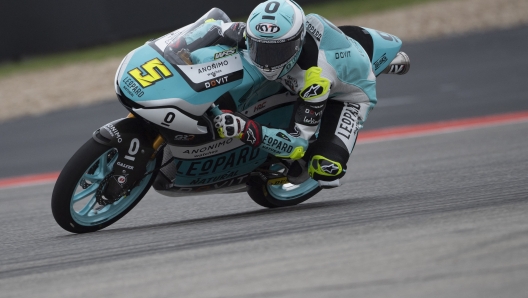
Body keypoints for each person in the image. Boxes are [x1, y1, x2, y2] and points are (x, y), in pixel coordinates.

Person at [213, 0, 377, 187]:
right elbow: (212, 28)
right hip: (313, 64)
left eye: (278, 52)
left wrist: (244, 129)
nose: (267, 61)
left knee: (325, 169)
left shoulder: (315, 81)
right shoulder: (253, 32)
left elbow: (296, 145)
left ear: (298, 44)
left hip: (347, 97)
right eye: (260, 48)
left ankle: (318, 149)